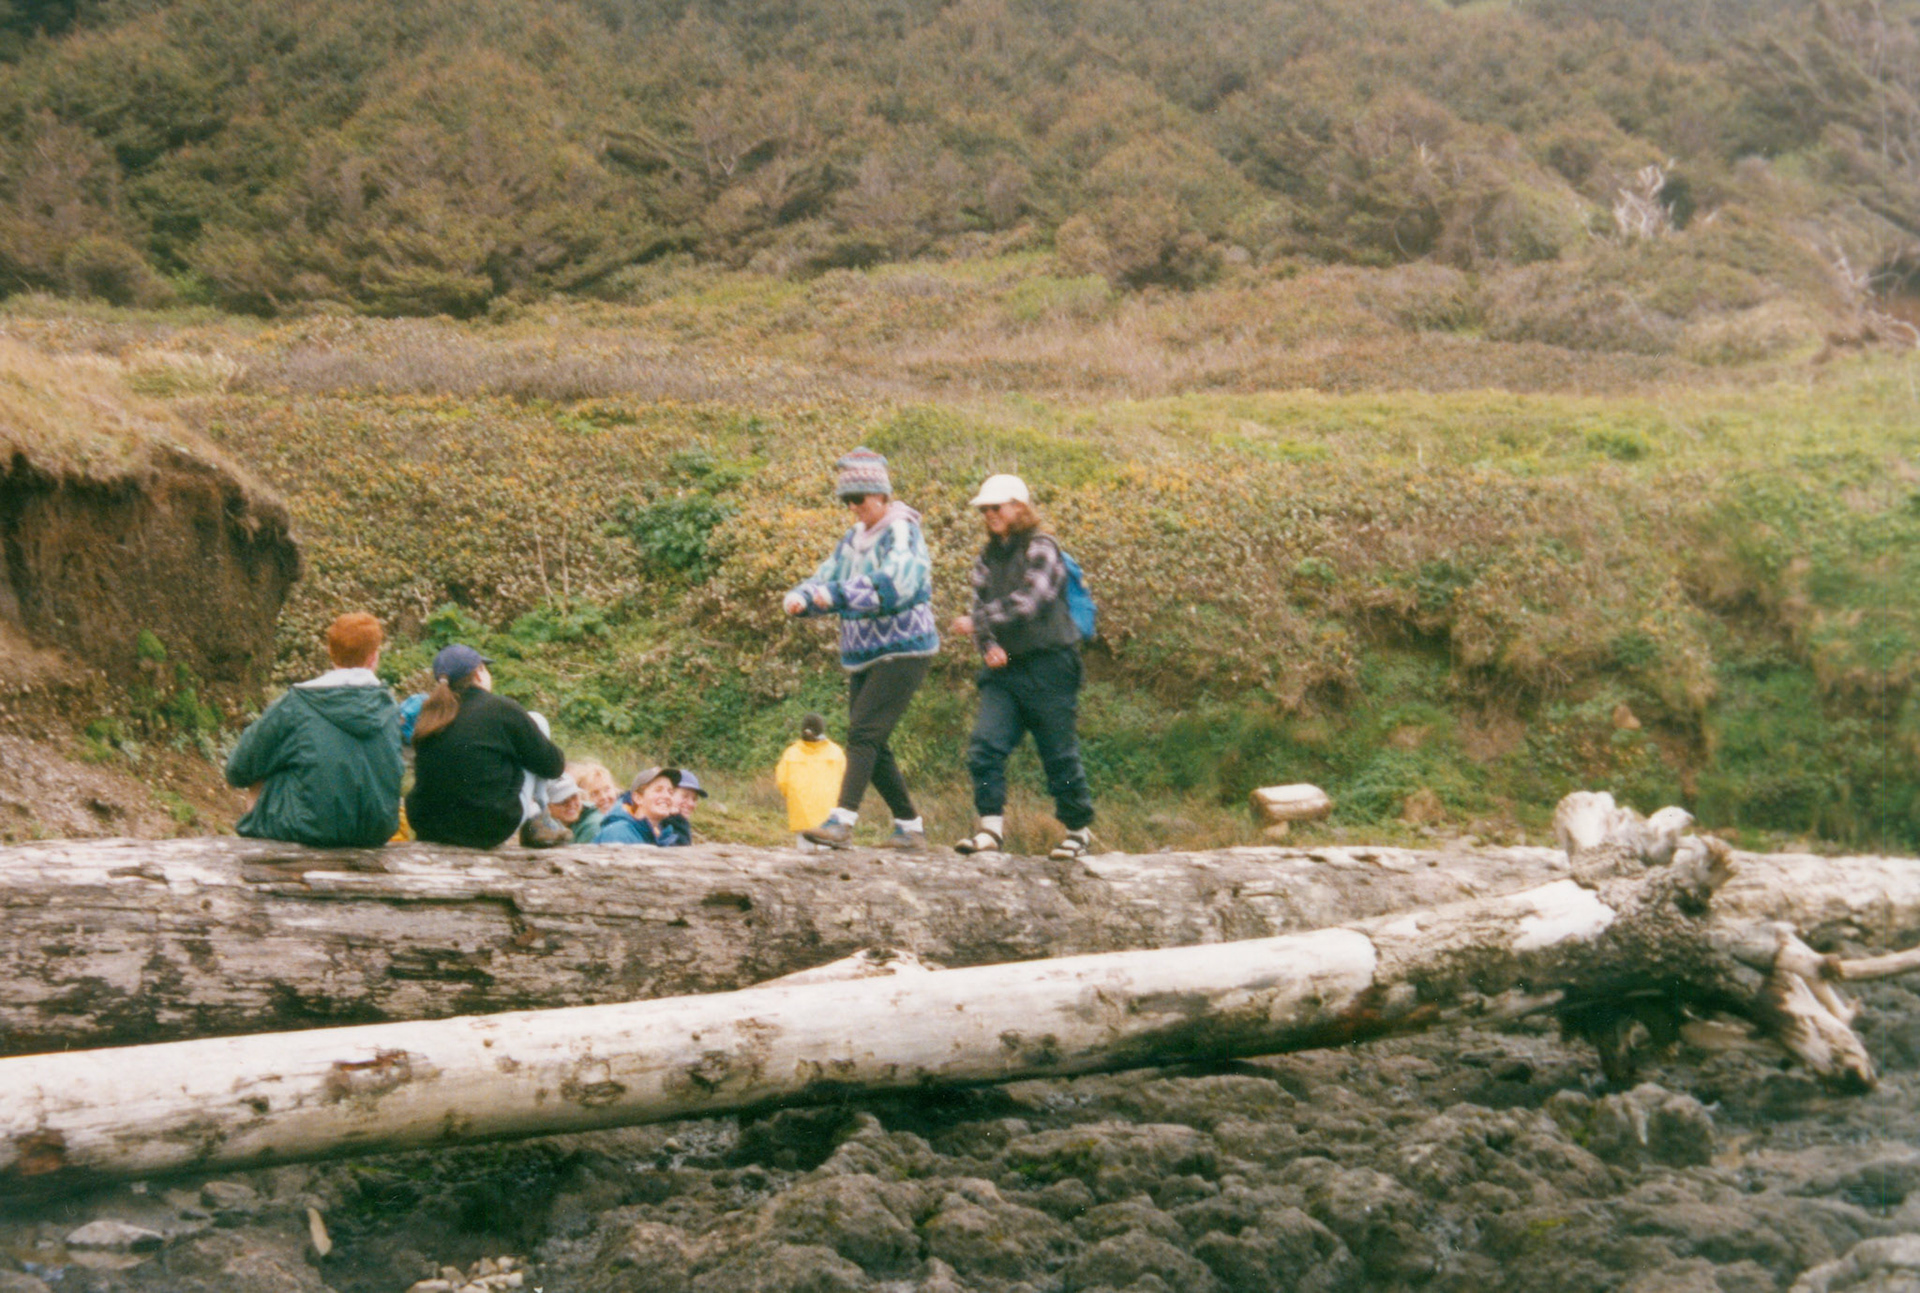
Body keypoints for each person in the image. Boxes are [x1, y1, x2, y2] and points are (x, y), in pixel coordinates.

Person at [781, 447, 937, 851]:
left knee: (863, 732)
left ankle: (842, 821)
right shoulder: (853, 538)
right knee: (874, 741)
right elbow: (827, 576)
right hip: (866, 652)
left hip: (904, 647)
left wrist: (835, 595)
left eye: (858, 498)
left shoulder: (901, 530)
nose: (852, 507)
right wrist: (802, 596)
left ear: (881, 495)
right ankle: (910, 827)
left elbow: (896, 583)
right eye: (846, 500)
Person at [949, 474, 1096, 861]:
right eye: (984, 509)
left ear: (1019, 507)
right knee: (984, 746)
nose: (989, 514)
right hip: (1006, 671)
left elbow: (1030, 601)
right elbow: (980, 604)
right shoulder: (986, 556)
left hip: (1052, 665)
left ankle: (1077, 831)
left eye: (996, 507)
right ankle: (990, 830)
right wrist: (988, 645)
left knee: (1058, 755)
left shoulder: (1042, 547)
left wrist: (978, 624)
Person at [226, 612, 402, 848]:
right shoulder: (390, 709)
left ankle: (264, 856)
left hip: (308, 830)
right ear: (373, 658)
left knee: (260, 774)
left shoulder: (297, 704)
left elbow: (238, 769)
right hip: (376, 831)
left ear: (330, 652)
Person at [406, 644, 566, 849]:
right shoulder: (501, 708)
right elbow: (553, 766)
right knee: (537, 721)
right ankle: (540, 819)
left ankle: (537, 817)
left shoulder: (429, 716)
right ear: (479, 673)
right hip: (487, 829)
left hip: (430, 828)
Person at [775, 713, 847, 850]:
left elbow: (782, 782)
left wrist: (795, 797)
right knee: (829, 858)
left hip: (801, 819)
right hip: (830, 820)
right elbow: (846, 782)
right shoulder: (836, 752)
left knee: (805, 857)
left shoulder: (791, 752)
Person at [596, 766, 689, 846]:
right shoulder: (618, 834)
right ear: (638, 798)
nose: (667, 796)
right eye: (658, 790)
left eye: (670, 792)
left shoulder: (662, 838)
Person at [548, 772, 601, 844]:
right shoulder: (541, 823)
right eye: (563, 800)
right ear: (547, 805)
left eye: (574, 797)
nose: (571, 804)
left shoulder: (592, 826)